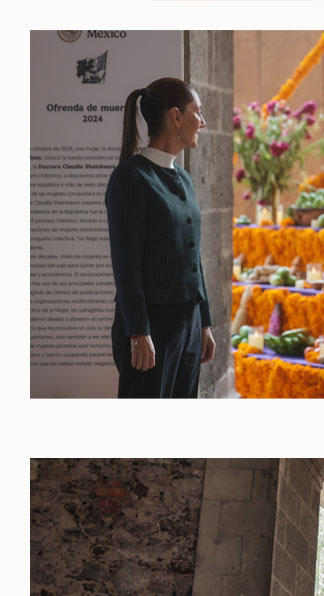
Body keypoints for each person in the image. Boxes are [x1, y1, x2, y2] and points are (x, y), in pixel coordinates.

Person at [105, 78, 215, 398]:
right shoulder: (131, 178)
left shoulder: (184, 177)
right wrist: (138, 331)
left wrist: (204, 323)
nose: (203, 122)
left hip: (189, 322)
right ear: (176, 116)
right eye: (198, 112)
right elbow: (126, 266)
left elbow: (194, 256)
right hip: (152, 326)